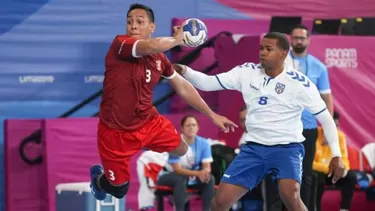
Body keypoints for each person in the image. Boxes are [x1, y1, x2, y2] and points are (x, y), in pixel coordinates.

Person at [173, 32, 345, 211]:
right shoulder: (246, 72)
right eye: (261, 48)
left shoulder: (301, 84)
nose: (262, 52)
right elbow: (208, 83)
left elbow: (326, 119)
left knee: (291, 196)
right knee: (219, 202)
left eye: (268, 49)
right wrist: (185, 71)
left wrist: (336, 155)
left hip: (287, 148)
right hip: (254, 148)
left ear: (283, 53)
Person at [89, 3, 237, 201]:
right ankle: (98, 179)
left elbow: (183, 87)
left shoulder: (160, 59)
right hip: (116, 133)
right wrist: (176, 40)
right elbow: (151, 45)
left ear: (152, 27)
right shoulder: (121, 45)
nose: (133, 26)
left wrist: (212, 115)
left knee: (183, 149)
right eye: (129, 21)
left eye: (140, 22)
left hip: (148, 123)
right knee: (118, 190)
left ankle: (140, 145)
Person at [282, 24, 334, 210]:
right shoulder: (281, 63)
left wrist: (329, 128)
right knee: (282, 172)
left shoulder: (319, 68)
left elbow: (327, 99)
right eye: (295, 38)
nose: (298, 41)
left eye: (302, 38)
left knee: (306, 174)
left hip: (308, 128)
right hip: (283, 127)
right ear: (290, 39)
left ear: (308, 41)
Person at [157, 115, 215, 211]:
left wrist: (204, 173)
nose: (191, 127)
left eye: (193, 125)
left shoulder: (204, 143)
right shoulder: (176, 142)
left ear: (198, 127)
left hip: (192, 177)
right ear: (182, 128)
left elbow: (207, 167)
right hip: (170, 175)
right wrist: (198, 173)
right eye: (188, 125)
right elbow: (177, 169)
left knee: (210, 179)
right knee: (180, 179)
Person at [313, 111, 357, 211]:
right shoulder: (315, 135)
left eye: (336, 126)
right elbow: (311, 164)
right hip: (321, 173)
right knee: (316, 177)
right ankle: (316, 208)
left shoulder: (340, 136)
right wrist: (328, 168)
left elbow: (345, 160)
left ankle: (344, 209)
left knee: (350, 176)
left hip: (333, 172)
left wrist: (343, 169)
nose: (334, 129)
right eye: (331, 125)